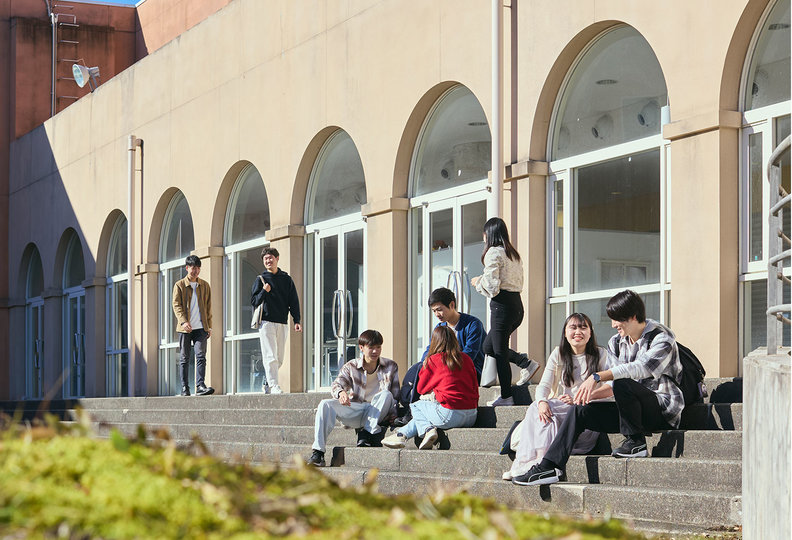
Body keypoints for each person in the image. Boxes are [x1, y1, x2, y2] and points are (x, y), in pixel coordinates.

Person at [513, 290, 684, 486]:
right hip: (629, 412)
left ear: (633, 317)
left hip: (660, 408)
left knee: (622, 380)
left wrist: (596, 377)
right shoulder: (617, 342)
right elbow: (615, 384)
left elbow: (642, 368)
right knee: (579, 411)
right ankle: (550, 466)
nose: (613, 325)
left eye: (617, 320)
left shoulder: (662, 337)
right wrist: (586, 395)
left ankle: (636, 443)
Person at [505, 313, 611, 482]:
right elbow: (544, 386)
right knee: (537, 408)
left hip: (584, 418)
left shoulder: (601, 354)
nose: (578, 331)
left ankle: (540, 464)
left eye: (584, 327)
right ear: (565, 333)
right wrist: (541, 402)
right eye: (573, 327)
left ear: (590, 333)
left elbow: (611, 388)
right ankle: (527, 463)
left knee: (552, 413)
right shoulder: (559, 354)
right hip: (560, 412)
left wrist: (579, 397)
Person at [395, 287, 491, 426]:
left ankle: (414, 412)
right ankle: (410, 408)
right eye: (434, 311)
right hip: (446, 371)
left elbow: (469, 354)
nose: (437, 314)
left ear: (452, 305)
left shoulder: (472, 324)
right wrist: (426, 364)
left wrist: (439, 366)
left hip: (470, 372)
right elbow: (430, 350)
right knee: (419, 366)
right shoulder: (439, 328)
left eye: (439, 309)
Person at [307, 330, 400, 467]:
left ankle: (367, 433)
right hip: (357, 409)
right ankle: (318, 453)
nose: (375, 351)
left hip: (378, 412)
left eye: (378, 347)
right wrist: (341, 393)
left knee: (386, 394)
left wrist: (393, 415)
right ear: (361, 348)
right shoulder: (351, 366)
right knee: (325, 404)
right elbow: (337, 384)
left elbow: (395, 396)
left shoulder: (391, 366)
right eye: (371, 348)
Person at [470, 217, 534, 407]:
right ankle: (525, 363)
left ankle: (506, 396)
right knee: (488, 347)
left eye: (484, 233)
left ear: (488, 234)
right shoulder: (513, 254)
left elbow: (491, 287)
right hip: (516, 305)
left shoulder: (493, 252)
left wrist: (477, 282)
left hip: (502, 306)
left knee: (498, 352)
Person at [382, 325, 479, 450]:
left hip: (449, 415)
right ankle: (401, 434)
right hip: (472, 415)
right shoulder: (467, 359)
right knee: (424, 415)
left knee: (416, 406)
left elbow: (420, 389)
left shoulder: (433, 360)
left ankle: (428, 430)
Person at [251, 247, 302, 394]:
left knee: (279, 358)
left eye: (270, 258)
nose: (268, 261)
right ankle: (274, 386)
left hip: (282, 322)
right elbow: (254, 301)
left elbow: (293, 301)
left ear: (277, 259)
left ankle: (267, 382)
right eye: (265, 259)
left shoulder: (286, 279)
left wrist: (296, 320)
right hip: (266, 322)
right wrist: (263, 291)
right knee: (270, 356)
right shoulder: (260, 279)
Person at [171, 255, 214, 396]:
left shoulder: (205, 285)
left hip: (201, 328)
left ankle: (200, 385)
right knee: (184, 358)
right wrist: (183, 321)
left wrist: (209, 326)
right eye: (192, 268)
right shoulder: (179, 285)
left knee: (201, 356)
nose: (195, 271)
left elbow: (208, 307)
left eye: (197, 268)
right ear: (187, 268)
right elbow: (176, 305)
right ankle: (185, 388)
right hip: (185, 328)